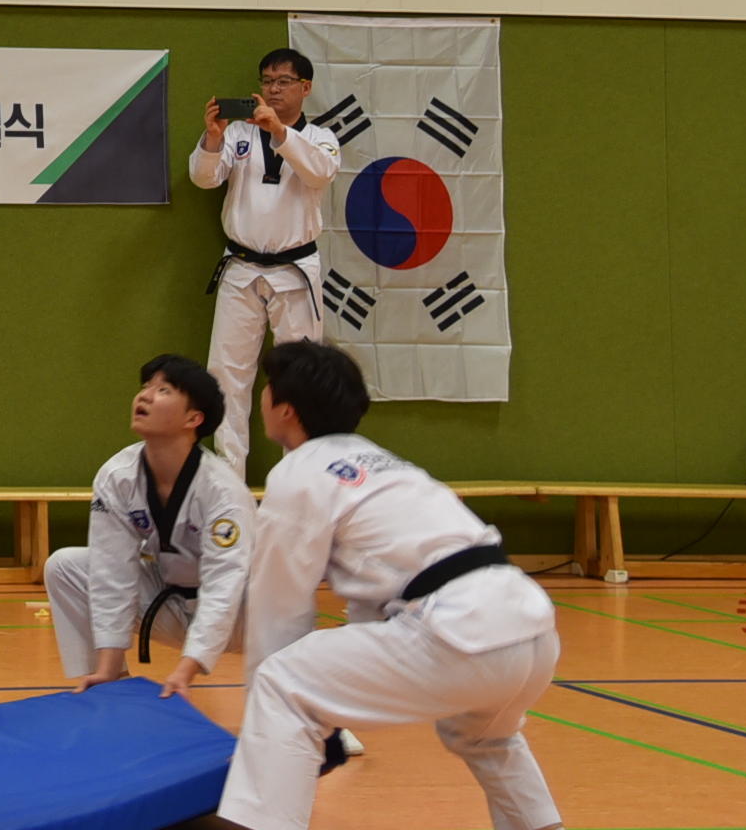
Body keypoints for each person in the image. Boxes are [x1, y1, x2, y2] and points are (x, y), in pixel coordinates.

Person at [220, 341, 562, 830]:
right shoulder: (383, 462)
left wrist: (272, 725)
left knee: (282, 681)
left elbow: (279, 610)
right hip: (530, 628)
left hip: (459, 634)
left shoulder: (297, 474)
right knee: (487, 738)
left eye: (266, 389)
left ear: (286, 410)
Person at [44, 356, 253, 700]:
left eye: (164, 390)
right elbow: (112, 571)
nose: (145, 396)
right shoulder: (118, 476)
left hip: (244, 616)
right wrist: (109, 662)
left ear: (194, 418)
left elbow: (224, 586)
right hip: (170, 602)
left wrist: (188, 668)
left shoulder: (222, 491)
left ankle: (322, 717)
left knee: (286, 606)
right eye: (145, 388)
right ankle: (111, 688)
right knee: (65, 567)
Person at [190, 48, 343, 474]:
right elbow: (204, 179)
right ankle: (228, 480)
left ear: (305, 88)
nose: (273, 89)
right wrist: (213, 138)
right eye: (267, 81)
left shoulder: (320, 138)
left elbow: (319, 174)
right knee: (226, 376)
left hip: (295, 272)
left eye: (283, 82)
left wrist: (280, 132)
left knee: (300, 380)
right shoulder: (237, 132)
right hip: (241, 268)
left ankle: (301, 477)